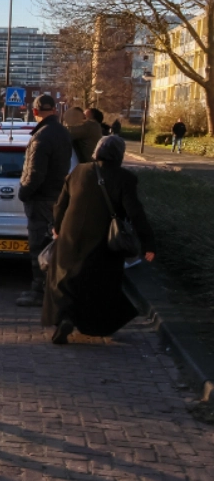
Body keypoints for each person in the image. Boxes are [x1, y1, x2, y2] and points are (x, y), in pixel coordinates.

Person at [42, 135, 156, 344]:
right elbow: (135, 213)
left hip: (70, 235)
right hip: (103, 241)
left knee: (63, 279)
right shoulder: (125, 178)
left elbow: (60, 204)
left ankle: (64, 319)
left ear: (97, 151)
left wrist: (57, 228)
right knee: (99, 284)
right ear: (119, 155)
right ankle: (93, 325)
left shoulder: (79, 172)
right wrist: (148, 243)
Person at [16, 94, 73, 307]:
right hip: (56, 196)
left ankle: (39, 292)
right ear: (55, 110)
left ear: (35, 112)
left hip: (40, 199)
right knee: (50, 246)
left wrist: (24, 193)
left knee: (38, 247)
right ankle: (49, 289)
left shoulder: (41, 137)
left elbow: (35, 173)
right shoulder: (62, 133)